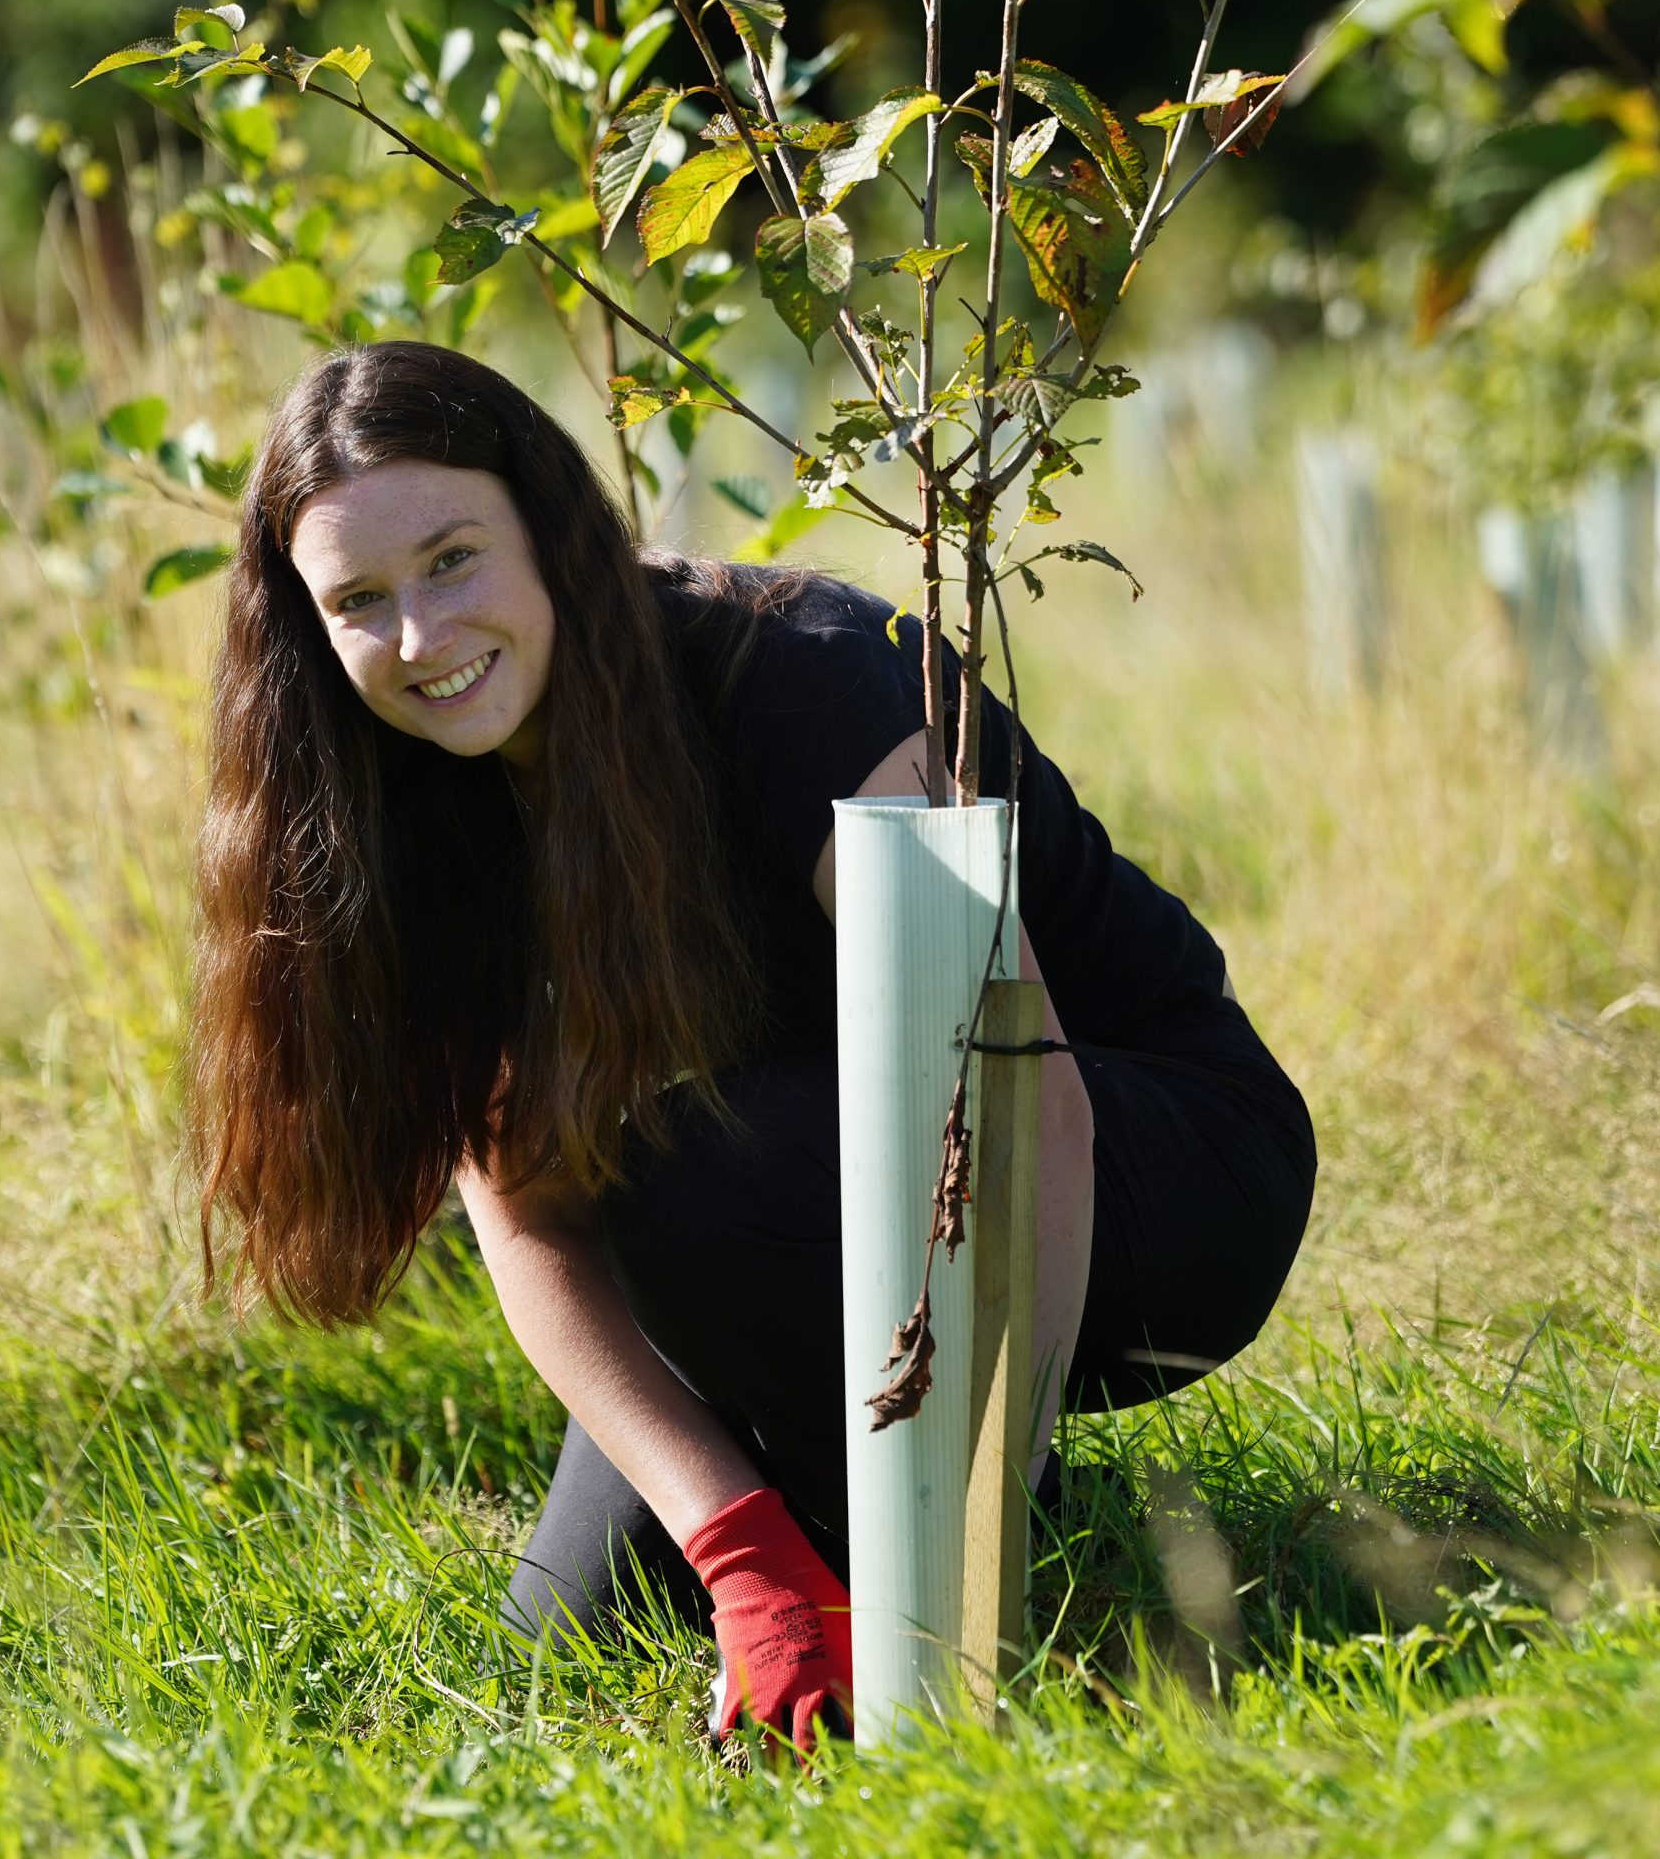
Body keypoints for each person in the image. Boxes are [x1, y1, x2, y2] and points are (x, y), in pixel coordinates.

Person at [189, 339, 1315, 1757]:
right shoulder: (399, 796)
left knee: (688, 1183)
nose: (419, 637)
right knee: (579, 1623)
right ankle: (818, 1530)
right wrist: (738, 1556)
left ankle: (951, 1517)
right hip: (829, 1187)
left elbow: (1024, 1108)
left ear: (549, 525)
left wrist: (968, 1570)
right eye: (359, 601)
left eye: (454, 560)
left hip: (1157, 1166)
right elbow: (527, 1215)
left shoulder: (796, 673)